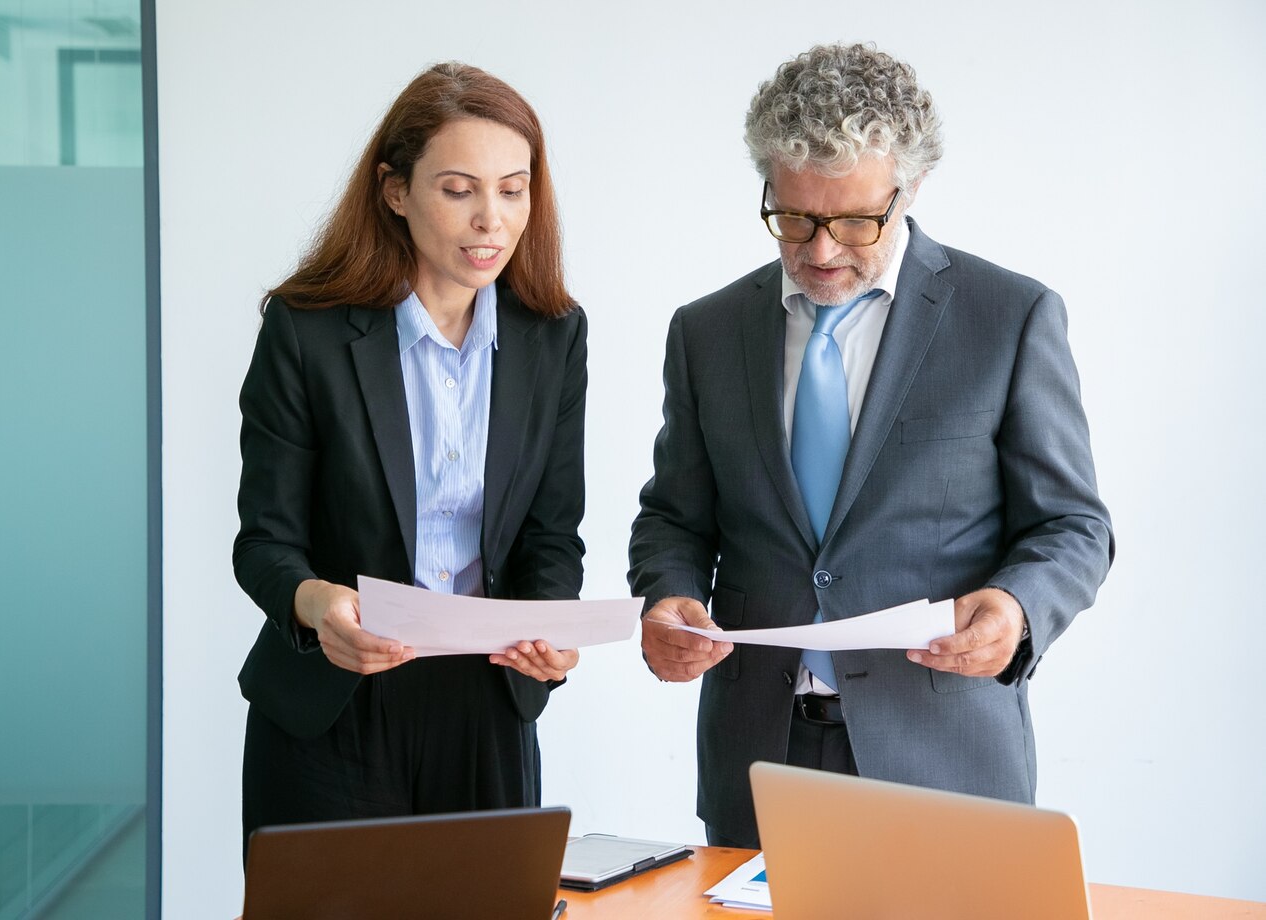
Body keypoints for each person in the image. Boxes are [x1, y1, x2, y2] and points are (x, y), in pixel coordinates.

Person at [628, 42, 1113, 848]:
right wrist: (667, 595)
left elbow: (1074, 527)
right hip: (759, 758)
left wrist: (1019, 609)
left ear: (911, 186)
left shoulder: (1010, 317)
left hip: (947, 762)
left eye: (855, 219)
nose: (820, 252)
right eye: (794, 218)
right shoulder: (705, 332)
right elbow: (675, 517)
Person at [234, 62, 587, 854]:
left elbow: (550, 536)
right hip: (334, 703)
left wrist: (547, 625)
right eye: (458, 189)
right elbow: (264, 544)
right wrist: (316, 603)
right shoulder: (307, 330)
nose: (490, 220)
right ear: (396, 191)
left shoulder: (553, 337)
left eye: (513, 188)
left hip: (485, 706)